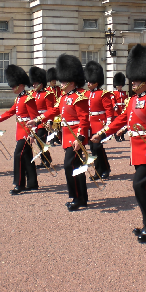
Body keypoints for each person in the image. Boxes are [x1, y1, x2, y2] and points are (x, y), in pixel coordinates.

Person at [91, 44, 146, 243]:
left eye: (136, 79)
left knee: (139, 186)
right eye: (132, 79)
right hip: (137, 149)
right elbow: (121, 120)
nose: (132, 82)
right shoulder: (133, 100)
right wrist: (102, 133)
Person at [29, 54, 90, 211]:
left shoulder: (79, 97)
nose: (61, 83)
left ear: (71, 80)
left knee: (69, 165)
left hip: (76, 136)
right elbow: (54, 110)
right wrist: (38, 120)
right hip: (67, 135)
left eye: (63, 80)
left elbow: (84, 120)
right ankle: (81, 197)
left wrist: (80, 137)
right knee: (76, 166)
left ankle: (76, 197)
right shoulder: (64, 97)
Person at [0, 65, 39, 195]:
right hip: (20, 131)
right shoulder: (19, 98)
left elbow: (35, 117)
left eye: (14, 85)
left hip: (26, 132)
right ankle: (32, 183)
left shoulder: (28, 98)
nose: (12, 88)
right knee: (26, 157)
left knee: (18, 155)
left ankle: (19, 184)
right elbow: (9, 112)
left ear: (21, 85)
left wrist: (33, 133)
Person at [84, 61, 114, 180]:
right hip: (90, 123)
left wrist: (108, 124)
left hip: (99, 124)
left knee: (97, 148)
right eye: (88, 81)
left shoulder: (103, 94)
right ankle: (98, 170)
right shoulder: (86, 94)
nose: (88, 83)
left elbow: (109, 110)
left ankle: (105, 169)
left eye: (90, 81)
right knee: (92, 149)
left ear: (96, 82)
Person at [29, 66, 55, 168]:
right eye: (33, 83)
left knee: (41, 141)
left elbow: (50, 109)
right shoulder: (32, 94)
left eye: (36, 83)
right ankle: (46, 158)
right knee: (36, 141)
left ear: (41, 83)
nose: (34, 85)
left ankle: (46, 160)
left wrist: (50, 121)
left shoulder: (47, 94)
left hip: (43, 121)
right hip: (34, 121)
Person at [112, 72, 128, 142]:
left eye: (121, 85)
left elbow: (126, 100)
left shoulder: (124, 93)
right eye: (118, 85)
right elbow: (113, 101)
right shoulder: (114, 93)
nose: (120, 87)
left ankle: (122, 135)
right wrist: (114, 106)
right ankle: (117, 137)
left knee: (123, 124)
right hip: (117, 111)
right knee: (117, 124)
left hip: (123, 109)